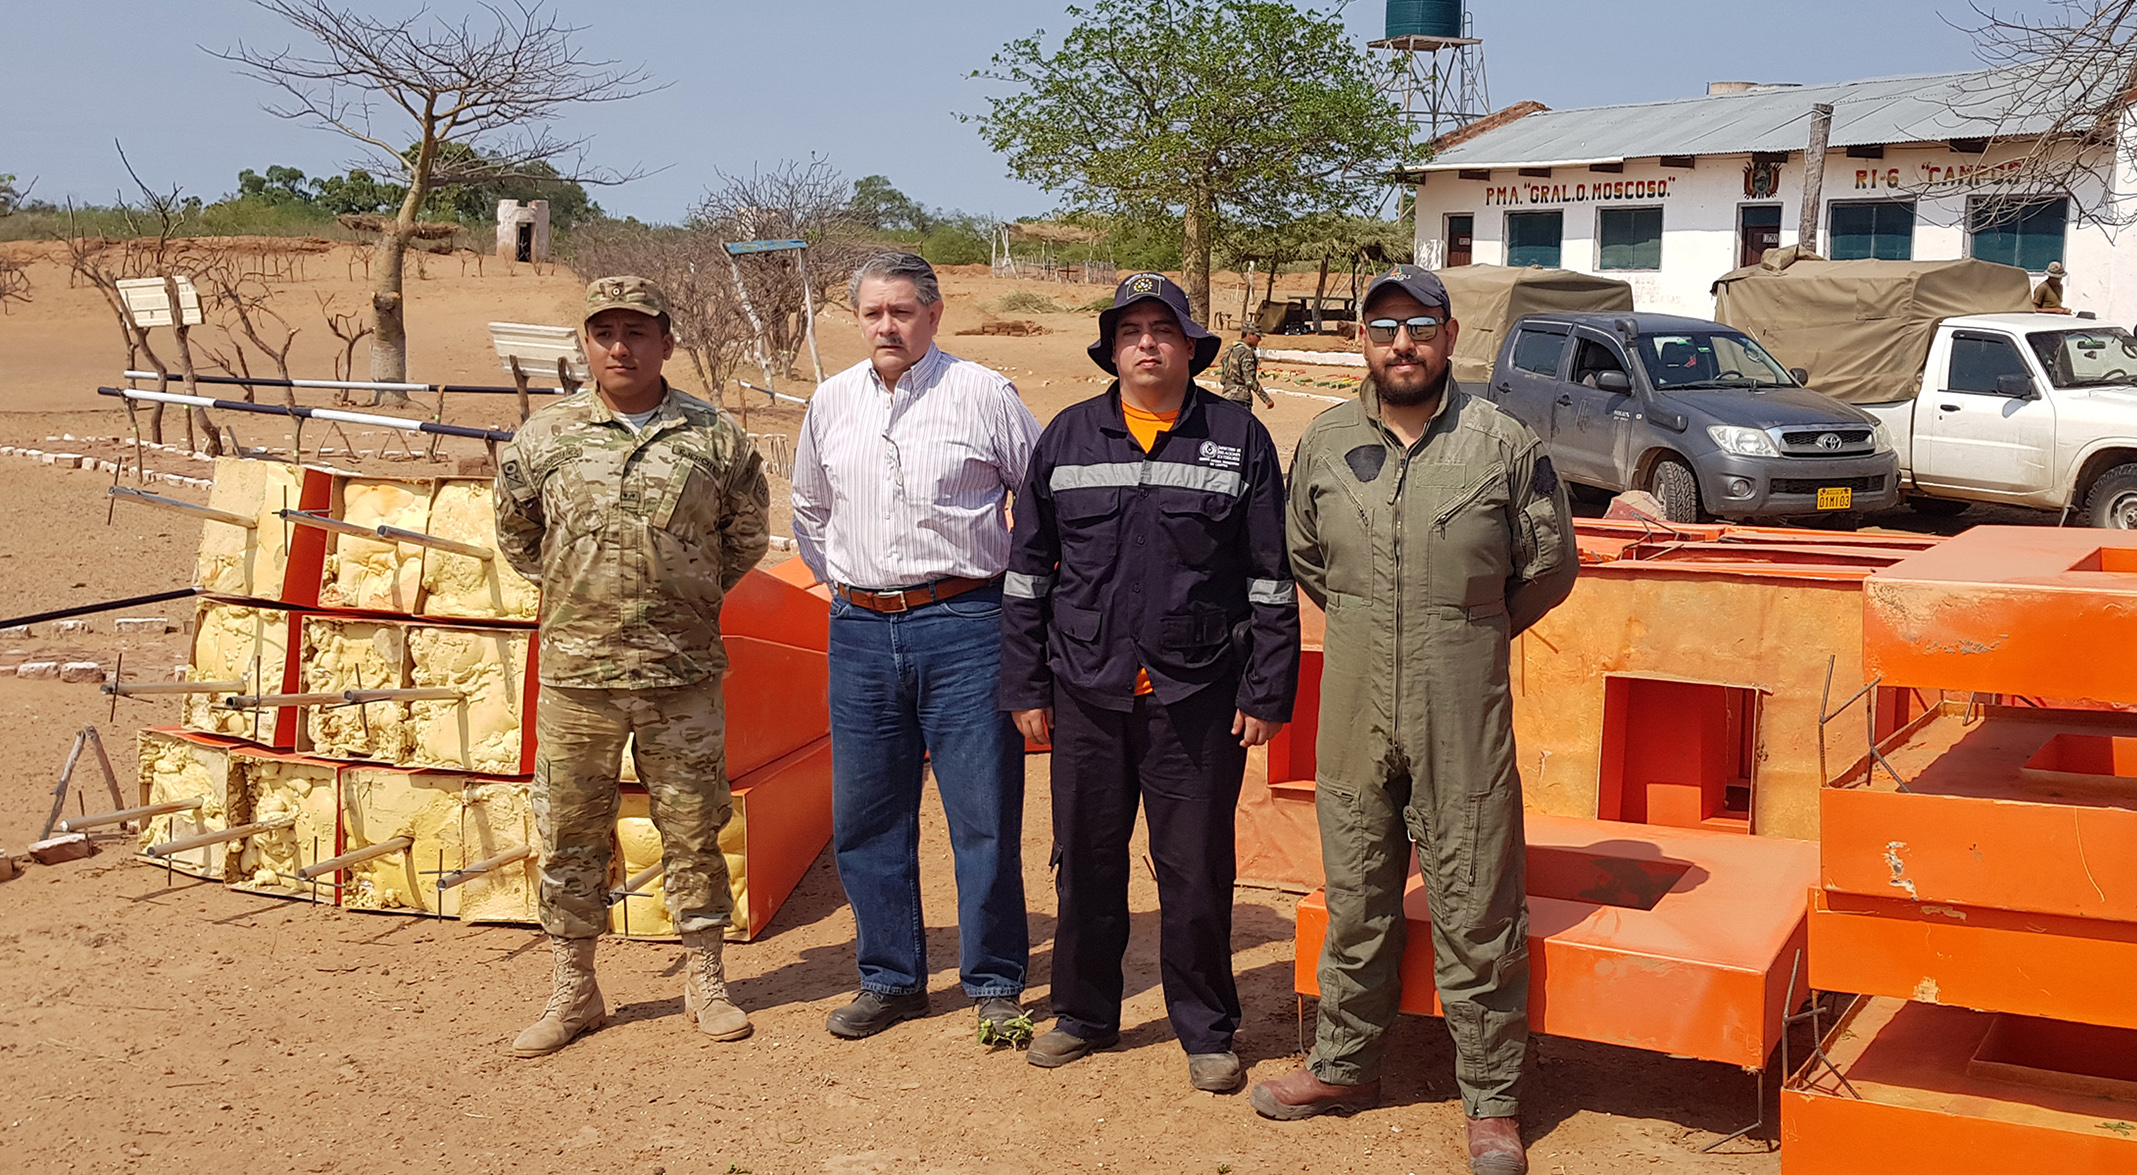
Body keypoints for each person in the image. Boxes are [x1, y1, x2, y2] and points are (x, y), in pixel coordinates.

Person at [1250, 265, 1576, 1175]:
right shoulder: (1324, 442)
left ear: (1449, 335)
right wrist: (1375, 622)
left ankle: (1492, 1102)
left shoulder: (1501, 442)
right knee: (1356, 890)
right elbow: (1307, 556)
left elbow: (1548, 565)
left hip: (1459, 699)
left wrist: (1465, 627)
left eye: (1421, 326)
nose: (1403, 343)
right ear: (1361, 338)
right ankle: (1343, 1064)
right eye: (1385, 326)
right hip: (1356, 690)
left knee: (1476, 897)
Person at [1001, 272, 1300, 1093]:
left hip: (1196, 696)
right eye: (1130, 330)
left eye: (1162, 330)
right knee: (1086, 862)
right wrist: (1024, 685)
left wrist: (1266, 689)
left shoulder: (1237, 437)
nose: (1146, 343)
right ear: (1110, 348)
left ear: (1190, 347)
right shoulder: (1066, 437)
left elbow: (1269, 576)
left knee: (1195, 869)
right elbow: (1027, 574)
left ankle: (1206, 1027)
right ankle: (1082, 1014)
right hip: (1085, 690)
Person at [495, 275, 771, 1057]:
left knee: (693, 825)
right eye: (604, 332)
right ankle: (574, 988)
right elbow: (517, 535)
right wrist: (584, 594)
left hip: (680, 673)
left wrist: (679, 594)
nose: (620, 347)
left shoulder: (712, 436)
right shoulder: (544, 436)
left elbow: (746, 535)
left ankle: (705, 978)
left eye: (637, 332)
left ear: (666, 343)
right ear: (586, 344)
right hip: (577, 674)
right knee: (569, 829)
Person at [791, 252, 1041, 1044]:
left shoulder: (984, 394)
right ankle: (890, 977)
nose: (886, 326)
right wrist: (852, 584)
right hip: (860, 629)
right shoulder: (830, 401)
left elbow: (1040, 505)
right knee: (866, 814)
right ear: (856, 318)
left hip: (967, 623)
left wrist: (1018, 607)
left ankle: (994, 980)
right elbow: (808, 508)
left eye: (901, 311)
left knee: (983, 812)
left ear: (934, 314)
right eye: (872, 313)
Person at [1220, 326, 1275, 408]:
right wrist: (1266, 399)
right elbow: (1250, 380)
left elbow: (1222, 379)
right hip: (1241, 398)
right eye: (1257, 336)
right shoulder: (1246, 352)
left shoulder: (1230, 349)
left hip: (1227, 396)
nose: (1260, 340)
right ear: (1249, 335)